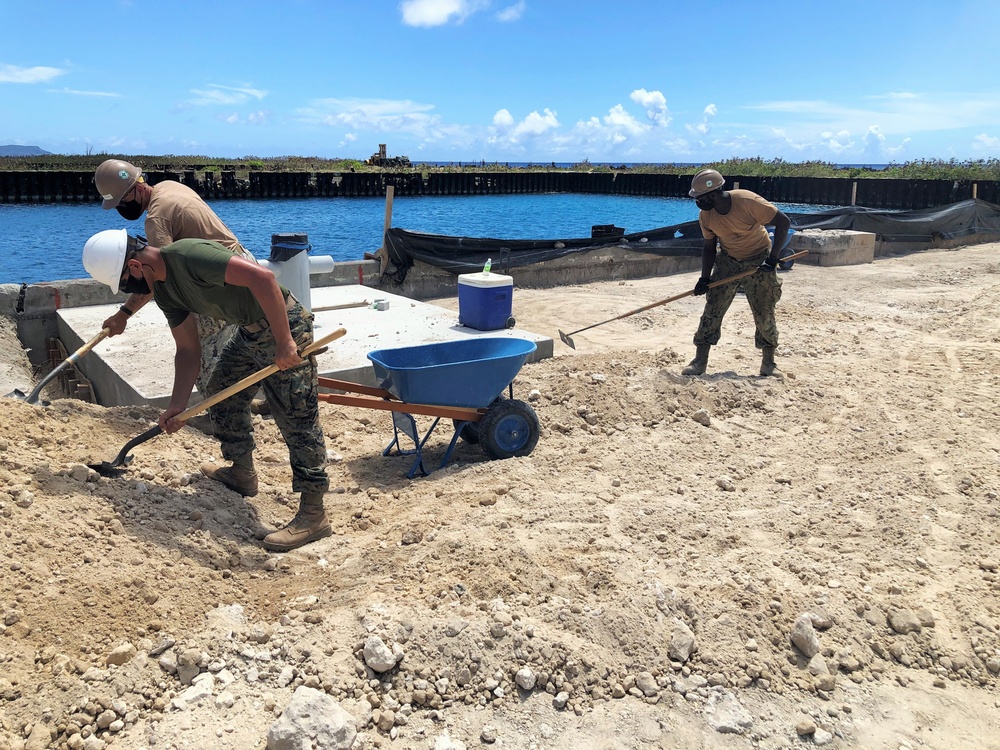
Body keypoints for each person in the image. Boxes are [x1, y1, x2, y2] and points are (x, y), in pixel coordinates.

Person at [81, 229, 331, 553]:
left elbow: (263, 280)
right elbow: (187, 350)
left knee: (297, 417)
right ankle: (242, 472)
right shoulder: (165, 292)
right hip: (250, 332)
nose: (130, 293)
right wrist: (176, 406)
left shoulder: (189, 256)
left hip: (284, 324)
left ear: (135, 266)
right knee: (221, 390)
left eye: (126, 284)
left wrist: (285, 342)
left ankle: (314, 515)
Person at [93, 158, 257, 397]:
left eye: (122, 202)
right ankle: (246, 402)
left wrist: (123, 315)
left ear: (138, 189)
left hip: (221, 283)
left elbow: (158, 275)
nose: (121, 209)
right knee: (241, 347)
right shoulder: (169, 186)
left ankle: (222, 413)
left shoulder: (157, 220)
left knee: (206, 360)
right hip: (241, 263)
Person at [683, 169, 791, 378]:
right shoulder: (706, 216)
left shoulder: (748, 201)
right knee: (713, 309)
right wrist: (704, 279)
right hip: (728, 261)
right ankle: (699, 361)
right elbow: (709, 247)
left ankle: (768, 363)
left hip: (759, 259)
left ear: (713, 193)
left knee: (764, 311)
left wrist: (772, 259)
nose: (697, 202)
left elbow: (783, 222)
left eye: (700, 198)